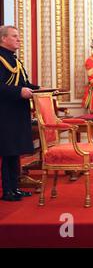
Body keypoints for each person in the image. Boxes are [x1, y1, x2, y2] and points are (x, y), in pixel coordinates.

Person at [0, 26, 40, 201]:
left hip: (17, 112)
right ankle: (7, 190)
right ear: (3, 39)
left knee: (14, 152)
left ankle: (15, 187)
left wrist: (39, 89)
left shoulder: (15, 60)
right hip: (5, 114)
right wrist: (19, 92)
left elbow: (24, 83)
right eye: (14, 36)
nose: (18, 39)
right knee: (8, 151)